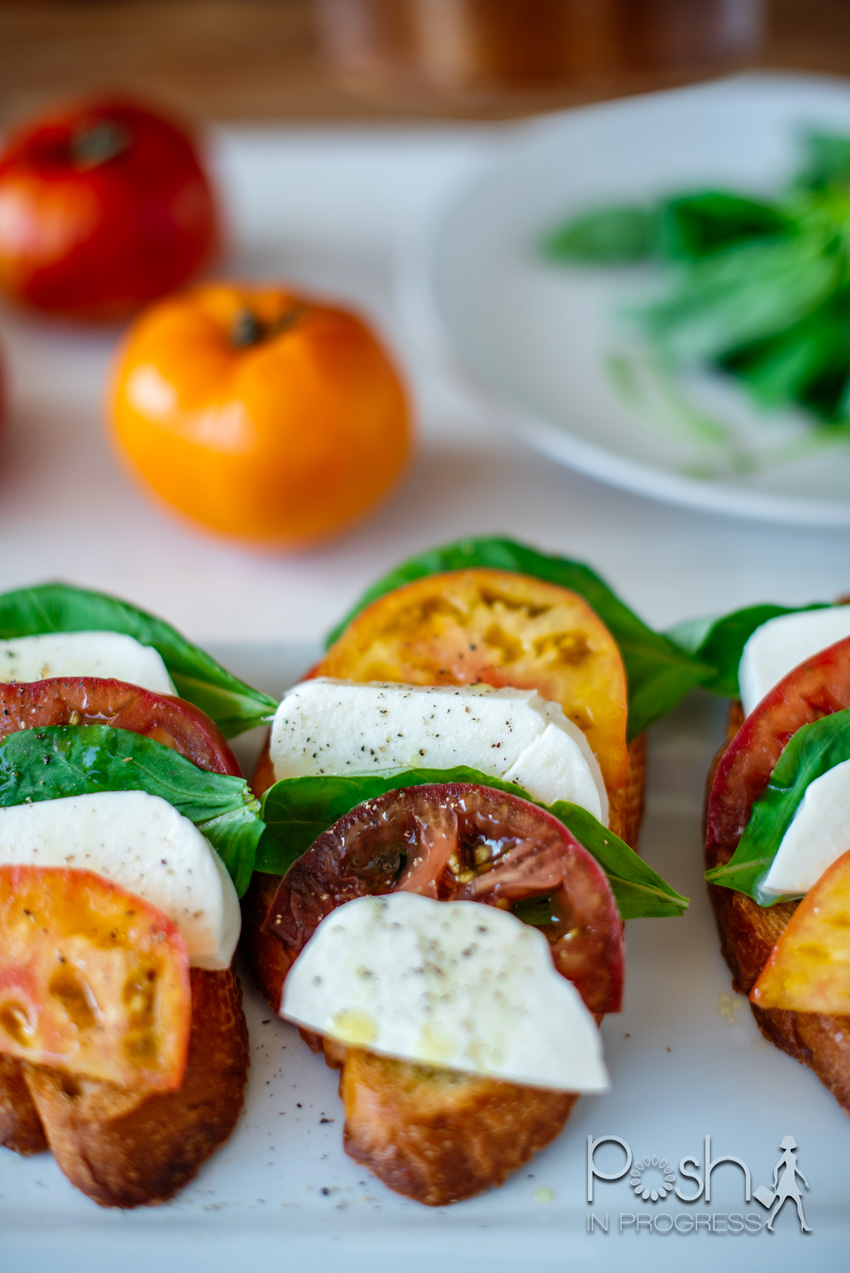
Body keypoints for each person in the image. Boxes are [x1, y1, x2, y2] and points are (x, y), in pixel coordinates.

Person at [766, 1136, 811, 1233]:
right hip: (786, 1180)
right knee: (784, 1203)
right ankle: (770, 1221)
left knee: (795, 1203)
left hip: (791, 1180)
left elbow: (796, 1169)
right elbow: (776, 1167)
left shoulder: (794, 1156)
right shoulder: (786, 1155)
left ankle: (803, 1224)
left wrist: (804, 1180)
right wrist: (775, 1182)